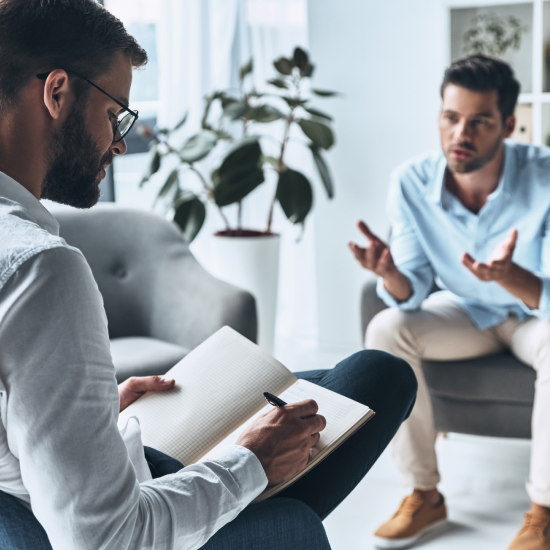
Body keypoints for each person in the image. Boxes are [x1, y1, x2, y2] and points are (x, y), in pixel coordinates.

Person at [0, 1, 417, 549]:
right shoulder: (40, 271)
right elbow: (103, 539)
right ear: (56, 92)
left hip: (60, 483)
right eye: (114, 115)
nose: (120, 142)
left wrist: (87, 409)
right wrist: (250, 461)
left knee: (368, 376)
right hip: (114, 522)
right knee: (362, 397)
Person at [349, 54, 550, 550]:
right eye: (451, 117)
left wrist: (512, 276)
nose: (461, 132)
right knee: (386, 329)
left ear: (508, 124)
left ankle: (544, 510)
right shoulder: (411, 181)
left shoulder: (545, 176)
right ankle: (424, 494)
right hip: (468, 312)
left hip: (533, 313)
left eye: (480, 121)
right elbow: (413, 288)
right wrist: (391, 273)